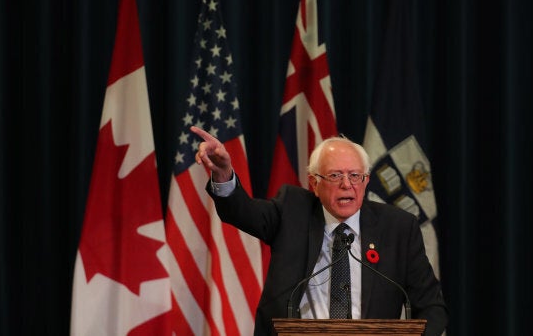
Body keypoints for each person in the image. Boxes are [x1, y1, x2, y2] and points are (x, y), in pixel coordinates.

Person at [191, 126, 448, 336]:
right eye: (335, 175)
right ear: (314, 183)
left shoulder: (398, 228)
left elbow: (432, 308)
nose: (347, 185)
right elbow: (243, 211)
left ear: (367, 180)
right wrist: (224, 174)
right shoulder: (292, 210)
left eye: (355, 176)